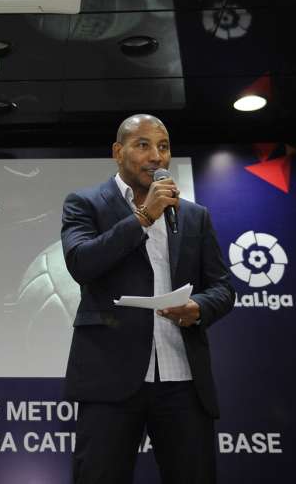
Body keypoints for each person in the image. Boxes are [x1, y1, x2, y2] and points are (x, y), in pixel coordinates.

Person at [62, 113, 234, 484]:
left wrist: (199, 308)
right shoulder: (85, 203)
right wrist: (143, 217)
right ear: (117, 152)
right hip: (110, 378)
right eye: (143, 145)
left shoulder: (194, 215)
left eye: (163, 146)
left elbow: (222, 287)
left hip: (183, 381)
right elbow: (81, 264)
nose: (156, 156)